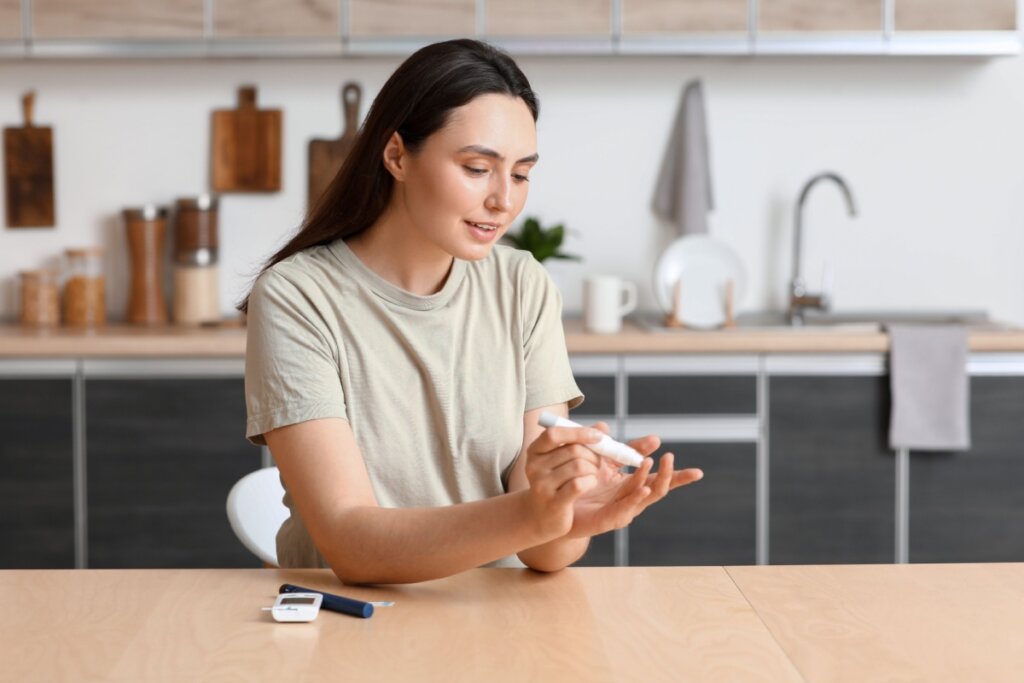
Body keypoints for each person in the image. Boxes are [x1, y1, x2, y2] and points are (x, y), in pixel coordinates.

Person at [241, 39, 703, 585]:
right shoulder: (298, 297)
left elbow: (545, 554)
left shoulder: (522, 285)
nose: (503, 200)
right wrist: (532, 515)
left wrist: (570, 513)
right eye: (478, 167)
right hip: (352, 623)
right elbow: (350, 542)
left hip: (494, 618)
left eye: (521, 173)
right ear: (396, 157)